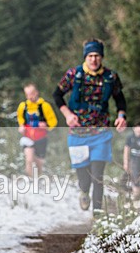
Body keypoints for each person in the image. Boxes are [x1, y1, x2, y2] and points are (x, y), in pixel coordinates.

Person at [53, 38, 127, 213]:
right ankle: (84, 192)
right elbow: (57, 94)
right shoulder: (74, 75)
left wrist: (121, 115)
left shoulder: (110, 77)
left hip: (101, 132)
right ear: (85, 57)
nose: (94, 60)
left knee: (97, 177)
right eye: (90, 56)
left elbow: (120, 99)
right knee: (84, 179)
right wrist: (68, 114)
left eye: (97, 56)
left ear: (101, 57)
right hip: (77, 133)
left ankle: (98, 215)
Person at [17, 83, 57, 177]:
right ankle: (31, 180)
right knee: (29, 159)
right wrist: (21, 126)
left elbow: (53, 121)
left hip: (41, 138)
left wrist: (46, 125)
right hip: (28, 137)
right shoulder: (23, 106)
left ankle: (39, 178)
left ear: (36, 93)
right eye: (27, 94)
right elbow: (20, 119)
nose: (29, 97)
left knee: (39, 163)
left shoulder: (45, 106)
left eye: (31, 93)